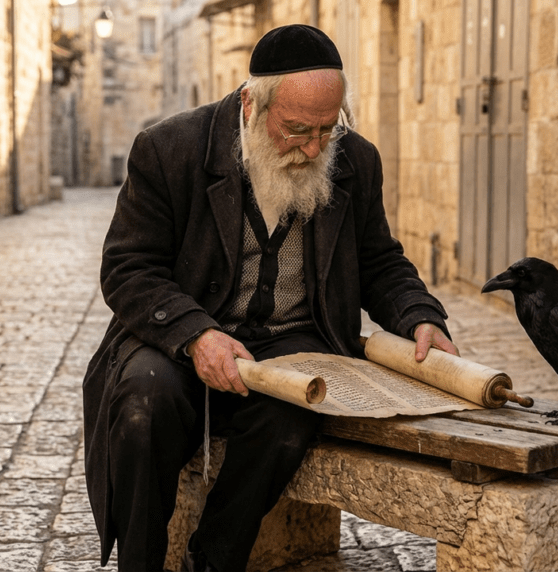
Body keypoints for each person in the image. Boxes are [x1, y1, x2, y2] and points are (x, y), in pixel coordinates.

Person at [83, 24, 459, 572]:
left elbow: (378, 261)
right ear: (251, 104)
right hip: (180, 334)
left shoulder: (356, 160)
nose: (313, 147)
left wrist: (420, 317)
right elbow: (128, 268)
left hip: (293, 339)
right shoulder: (168, 149)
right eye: (297, 130)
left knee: (292, 413)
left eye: (328, 129)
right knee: (144, 404)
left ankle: (213, 559)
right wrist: (196, 335)